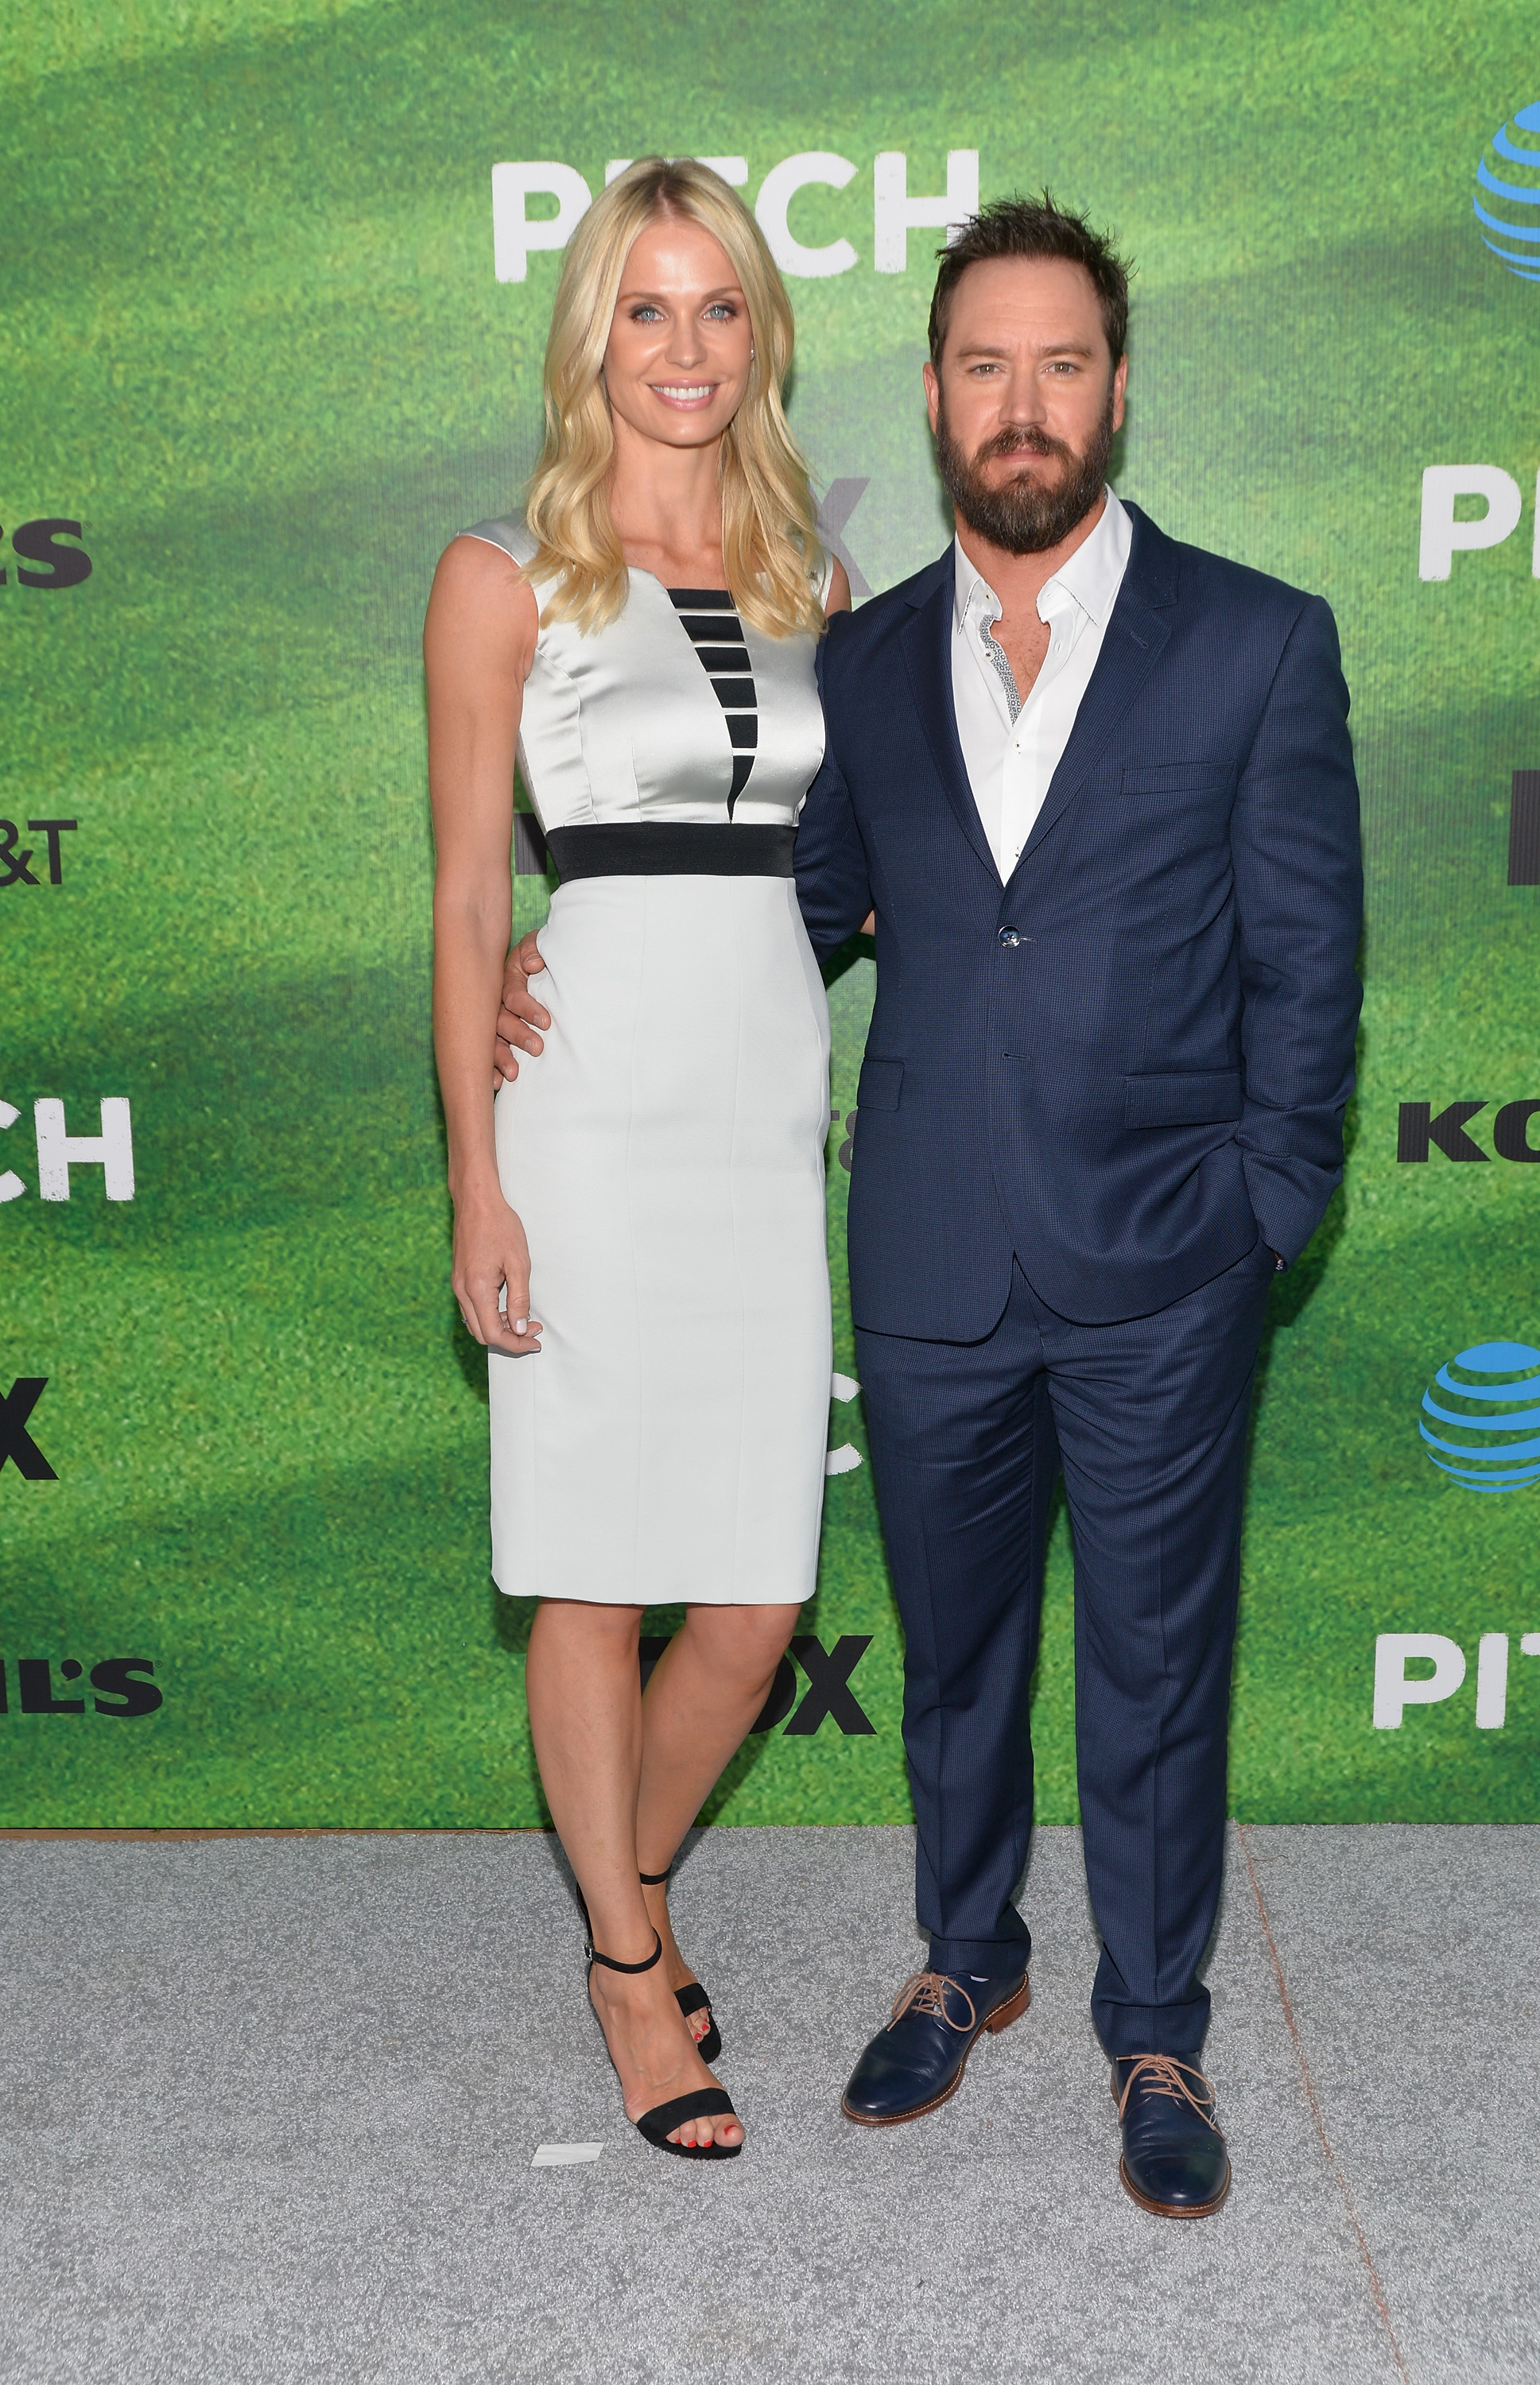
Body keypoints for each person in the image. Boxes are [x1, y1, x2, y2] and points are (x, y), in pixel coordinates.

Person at [498, 194, 1361, 2217]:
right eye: (985, 365)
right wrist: (569, 944)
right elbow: (776, 912)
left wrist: (1264, 1206)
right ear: (935, 392)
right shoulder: (857, 657)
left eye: (1062, 363)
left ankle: (1155, 2024)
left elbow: (1306, 966)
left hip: (1167, 1261)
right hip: (930, 1258)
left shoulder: (1255, 637)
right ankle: (964, 1963)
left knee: (1155, 1661)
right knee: (960, 1658)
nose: (1023, 404)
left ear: (1117, 390)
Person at [427, 156, 849, 2161]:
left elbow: (851, 862)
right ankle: (626, 1972)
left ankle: (631, 1881)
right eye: (645, 309)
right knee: (589, 1572)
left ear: (759, 335)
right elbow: (455, 904)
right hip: (581, 1110)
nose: (683, 349)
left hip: (764, 1109)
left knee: (753, 1602)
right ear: (590, 329)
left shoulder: (810, 578)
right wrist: (475, 1184)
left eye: (719, 308)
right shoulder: (502, 573)